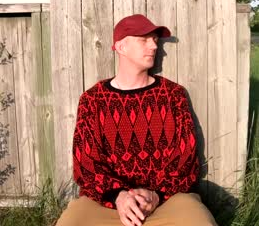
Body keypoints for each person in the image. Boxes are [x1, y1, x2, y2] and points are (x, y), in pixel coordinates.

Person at [56, 14, 217, 226]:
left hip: (166, 200)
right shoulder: (93, 99)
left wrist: (156, 194)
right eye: (144, 40)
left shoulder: (172, 95)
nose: (154, 47)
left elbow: (185, 156)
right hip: (107, 202)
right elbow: (86, 162)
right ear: (121, 47)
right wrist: (119, 196)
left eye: (155, 41)